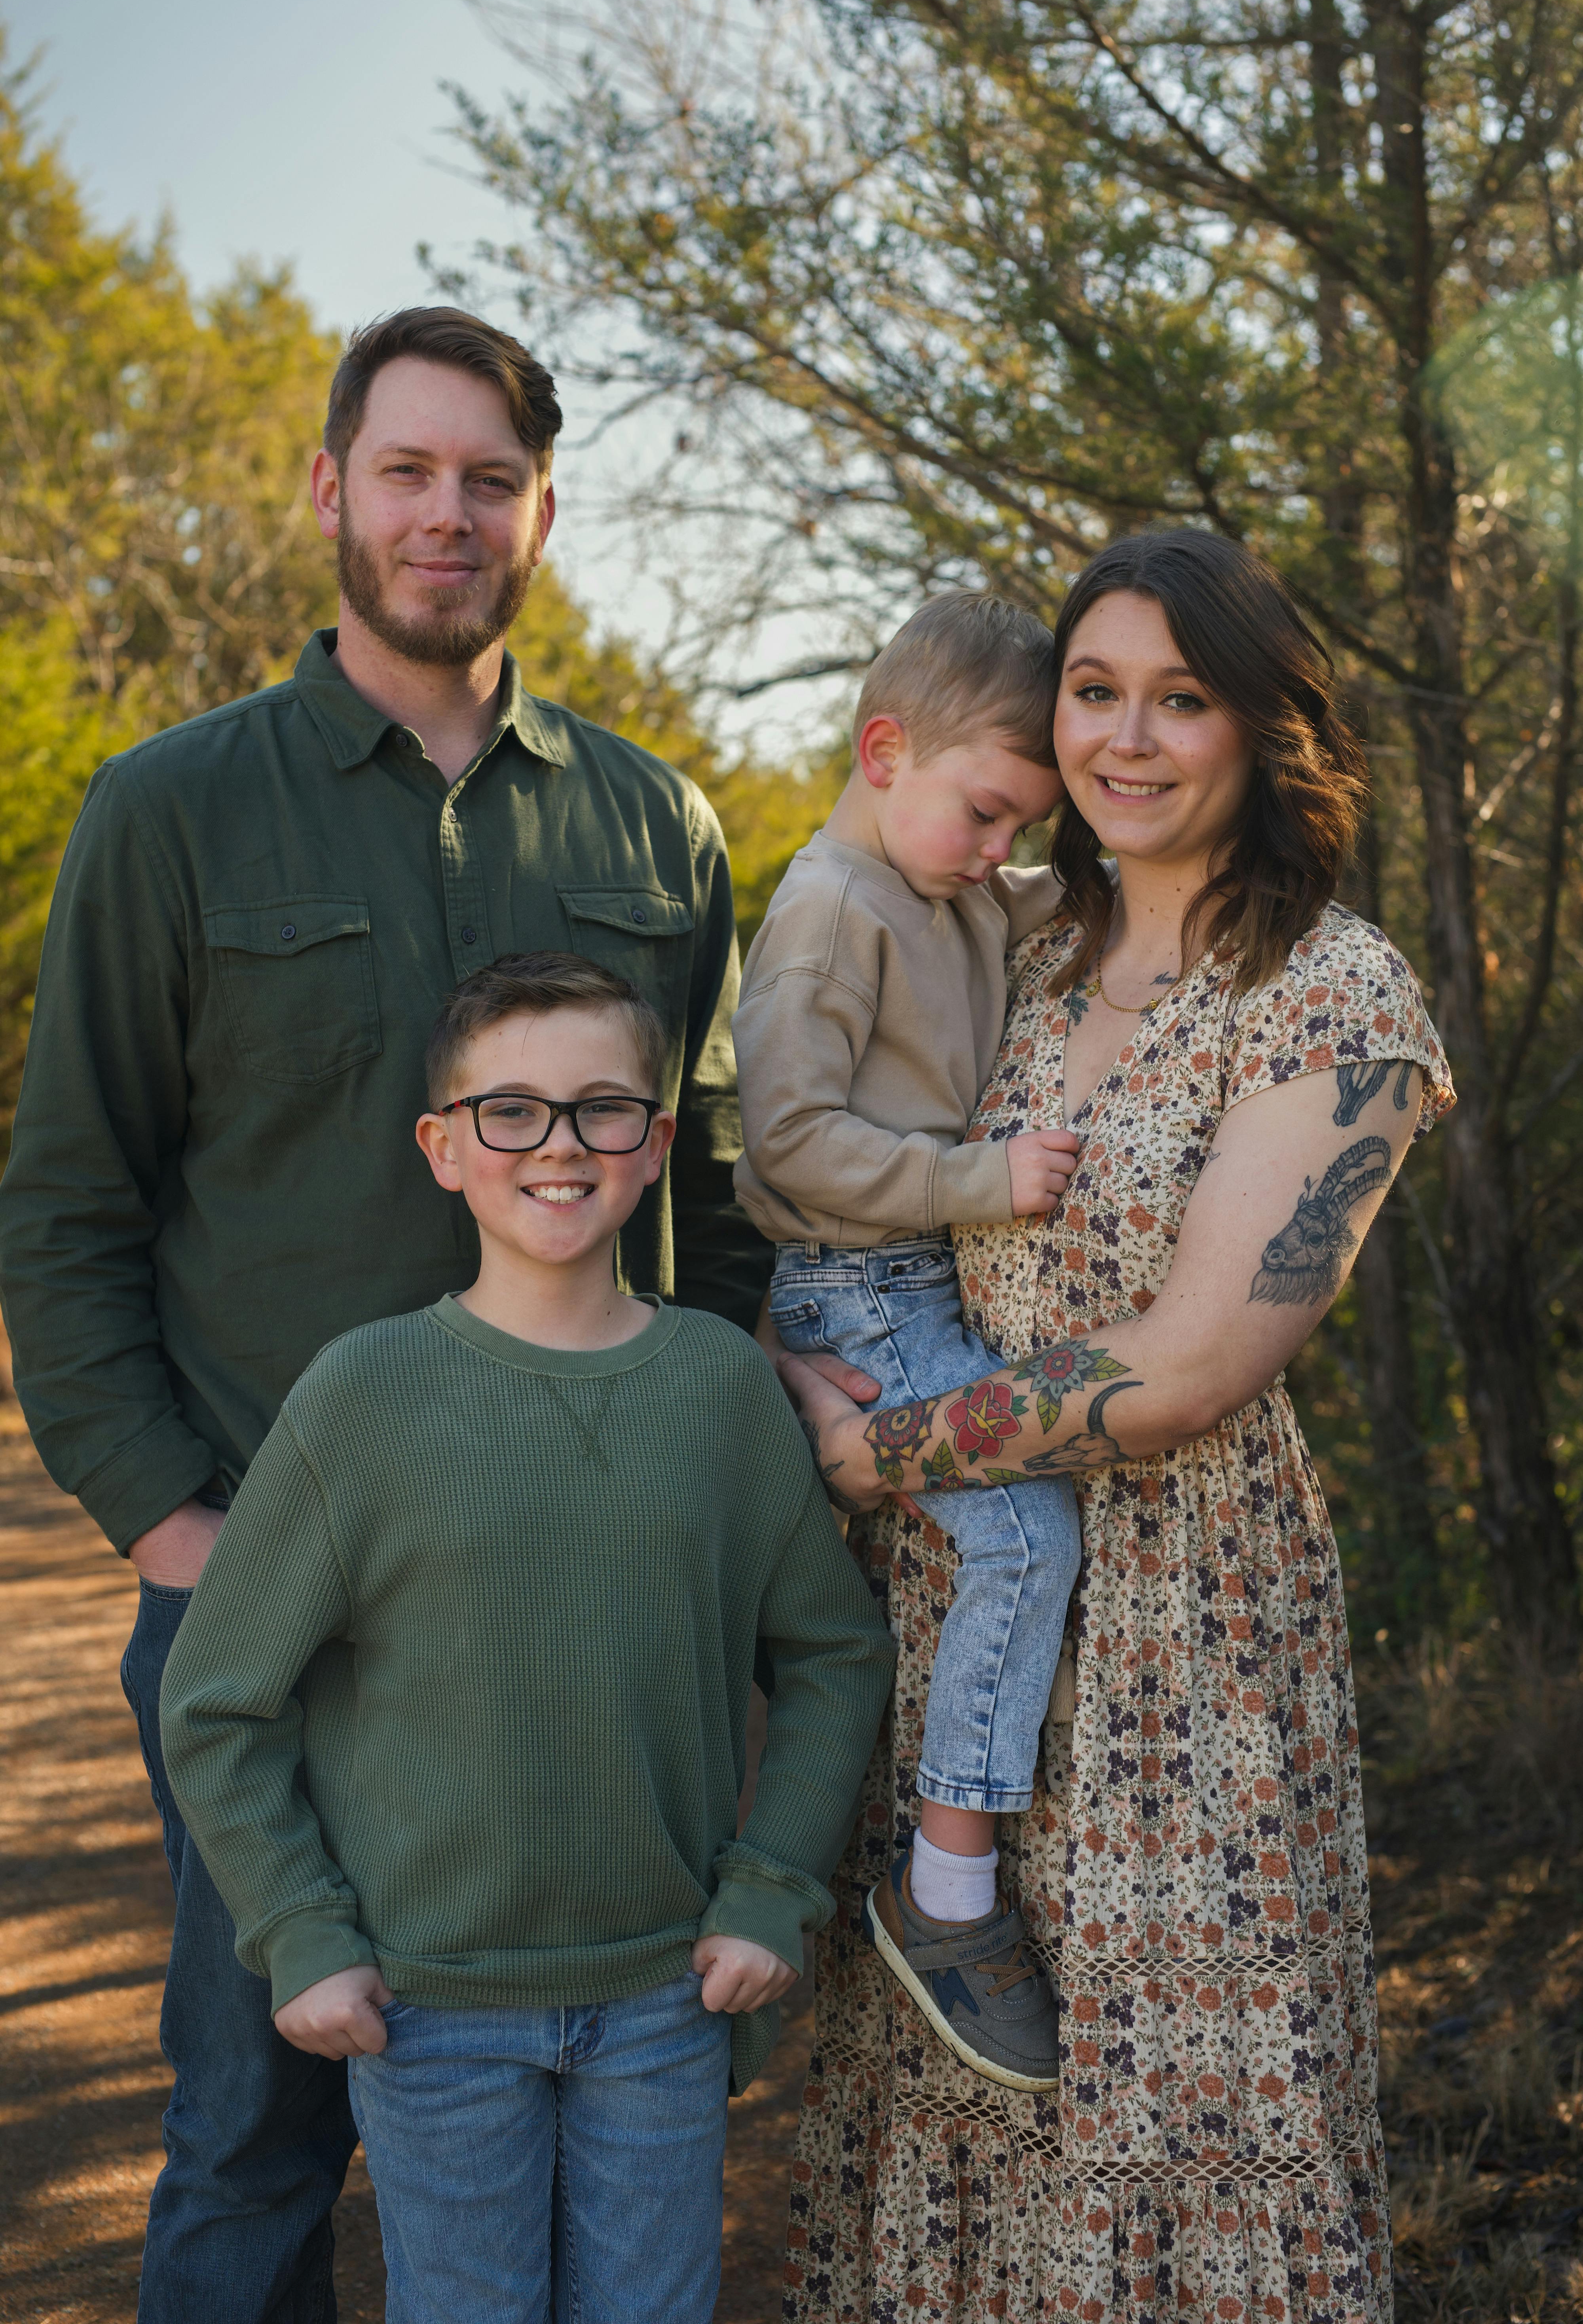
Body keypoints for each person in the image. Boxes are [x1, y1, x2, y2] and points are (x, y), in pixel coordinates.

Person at [0, 306, 773, 2324]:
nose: (452, 516)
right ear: (330, 488)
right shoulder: (170, 814)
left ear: (544, 513)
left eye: (493, 481)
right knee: (257, 2132)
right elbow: (72, 1207)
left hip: (605, 1621)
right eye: (411, 472)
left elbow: (713, 1203)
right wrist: (184, 1543)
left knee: (604, 2107)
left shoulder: (653, 826)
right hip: (283, 1596)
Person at [775, 529, 1454, 2324]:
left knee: (1178, 2102)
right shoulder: (1012, 939)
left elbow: (1180, 1369)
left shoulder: (1337, 997)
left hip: (1188, 1648)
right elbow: (823, 1158)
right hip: (954, 1617)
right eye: (1094, 692)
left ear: (1261, 730)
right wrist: (782, 1368)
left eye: (1182, 698)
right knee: (951, 2116)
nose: (1127, 740)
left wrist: (871, 1457)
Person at [158, 952, 894, 2324]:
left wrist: (772, 1882)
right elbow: (216, 1699)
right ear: (445, 1147)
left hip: (672, 1995)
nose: (559, 1145)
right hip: (432, 2007)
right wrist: (302, 1932)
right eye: (512, 1111)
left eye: (603, 1108)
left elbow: (836, 1655)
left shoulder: (721, 1392)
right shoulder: (362, 1398)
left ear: (657, 1142)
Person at [735, 591, 1085, 2091]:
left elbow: (1071, 892)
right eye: (987, 813)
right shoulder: (828, 915)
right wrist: (974, 1182)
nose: (1002, 846)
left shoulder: (950, 888)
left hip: (922, 1281)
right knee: (1022, 1531)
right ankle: (946, 1890)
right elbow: (792, 1141)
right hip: (858, 1291)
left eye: (1021, 824)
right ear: (887, 750)